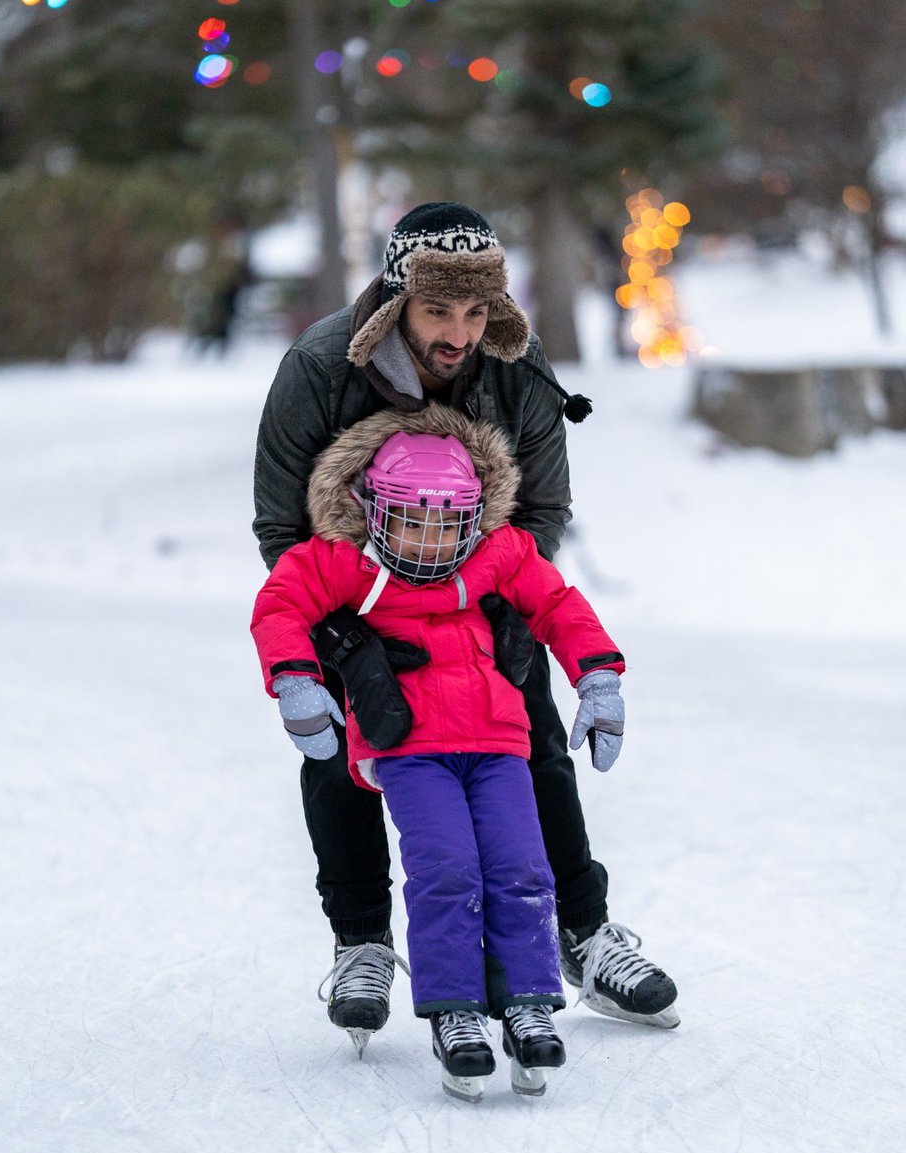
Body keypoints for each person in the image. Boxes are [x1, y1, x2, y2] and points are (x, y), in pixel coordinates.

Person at [251, 201, 678, 1045]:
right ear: (395, 303)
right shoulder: (319, 365)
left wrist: (504, 604)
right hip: (357, 597)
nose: (460, 331)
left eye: (477, 311)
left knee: (533, 742)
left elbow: (544, 506)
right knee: (342, 752)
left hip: (484, 592)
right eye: (439, 310)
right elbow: (281, 528)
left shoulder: (516, 364)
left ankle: (583, 932)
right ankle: (362, 942)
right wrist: (341, 639)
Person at [251, 405, 631, 1101]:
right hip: (412, 751)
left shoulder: (499, 554)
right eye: (409, 520)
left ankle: (528, 1001)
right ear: (373, 509)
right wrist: (296, 682)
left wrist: (598, 676)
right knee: (449, 871)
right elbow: (280, 606)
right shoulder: (344, 563)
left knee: (522, 869)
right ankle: (454, 1008)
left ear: (470, 517)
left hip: (497, 744)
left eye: (446, 523)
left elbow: (559, 606)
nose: (428, 542)